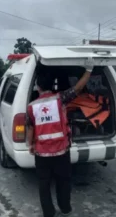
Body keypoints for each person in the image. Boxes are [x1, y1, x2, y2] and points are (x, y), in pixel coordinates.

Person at [26, 57, 94, 217]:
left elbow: (30, 128)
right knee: (63, 181)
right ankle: (65, 208)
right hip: (61, 151)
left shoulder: (31, 106)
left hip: (42, 153)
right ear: (52, 85)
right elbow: (77, 88)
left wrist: (31, 144)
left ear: (38, 87)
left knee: (44, 184)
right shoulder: (60, 99)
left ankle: (48, 213)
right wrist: (89, 70)